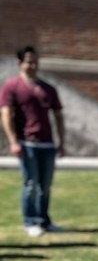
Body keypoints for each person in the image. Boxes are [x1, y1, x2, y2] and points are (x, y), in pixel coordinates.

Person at [0, 45, 66, 238]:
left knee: (45, 185)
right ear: (20, 63)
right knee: (31, 184)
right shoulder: (12, 87)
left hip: (47, 144)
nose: (33, 65)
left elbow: (59, 115)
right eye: (29, 61)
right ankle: (30, 221)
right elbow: (6, 115)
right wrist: (13, 141)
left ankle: (44, 220)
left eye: (36, 61)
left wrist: (62, 141)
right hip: (26, 143)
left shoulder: (48, 89)